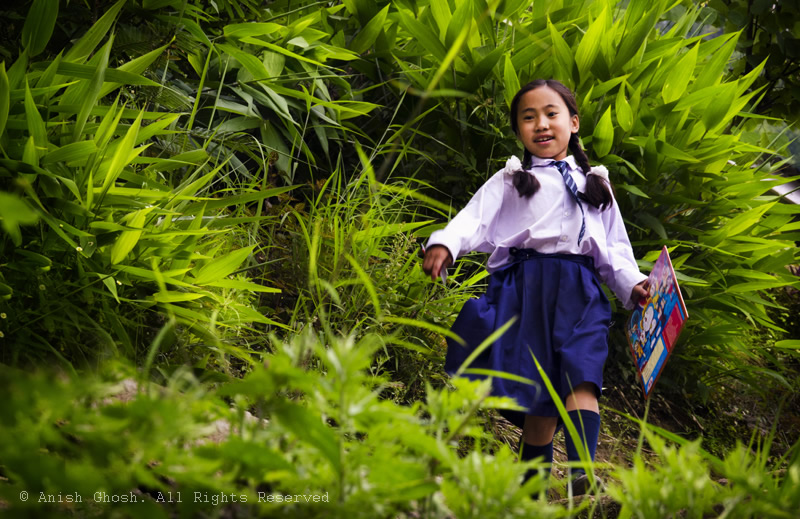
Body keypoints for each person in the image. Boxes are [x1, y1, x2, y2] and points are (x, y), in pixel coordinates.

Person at [422, 79, 649, 495]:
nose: (541, 124)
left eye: (551, 114)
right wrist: (445, 244)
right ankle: (531, 492)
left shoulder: (596, 184)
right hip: (525, 290)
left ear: (574, 122)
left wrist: (633, 284)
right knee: (538, 393)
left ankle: (582, 474)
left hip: (581, 292)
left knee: (583, 373)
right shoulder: (511, 179)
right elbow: (473, 219)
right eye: (529, 117)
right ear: (519, 131)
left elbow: (615, 249)